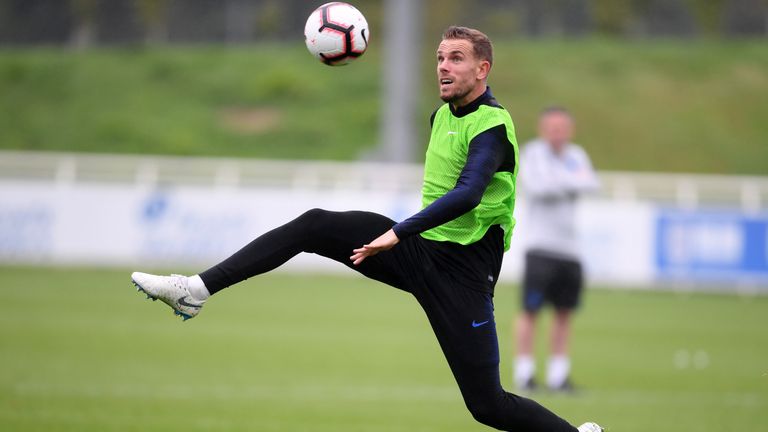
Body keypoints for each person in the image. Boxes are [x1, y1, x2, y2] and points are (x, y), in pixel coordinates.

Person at [131, 27, 603, 432]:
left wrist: (399, 232)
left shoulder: (493, 126)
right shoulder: (441, 115)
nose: (443, 66)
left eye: (456, 58)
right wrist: (406, 237)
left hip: (462, 276)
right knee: (314, 225)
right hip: (421, 250)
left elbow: (469, 193)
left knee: (487, 406)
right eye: (439, 57)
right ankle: (194, 290)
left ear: (483, 70)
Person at [513, 107, 600, 392]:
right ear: (542, 128)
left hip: (570, 249)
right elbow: (538, 187)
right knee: (530, 311)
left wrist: (560, 180)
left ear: (570, 130)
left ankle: (557, 375)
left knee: (564, 313)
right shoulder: (533, 153)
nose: (557, 133)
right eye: (552, 127)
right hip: (540, 247)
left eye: (562, 127)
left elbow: (592, 184)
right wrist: (571, 182)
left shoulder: (577, 155)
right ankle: (524, 372)